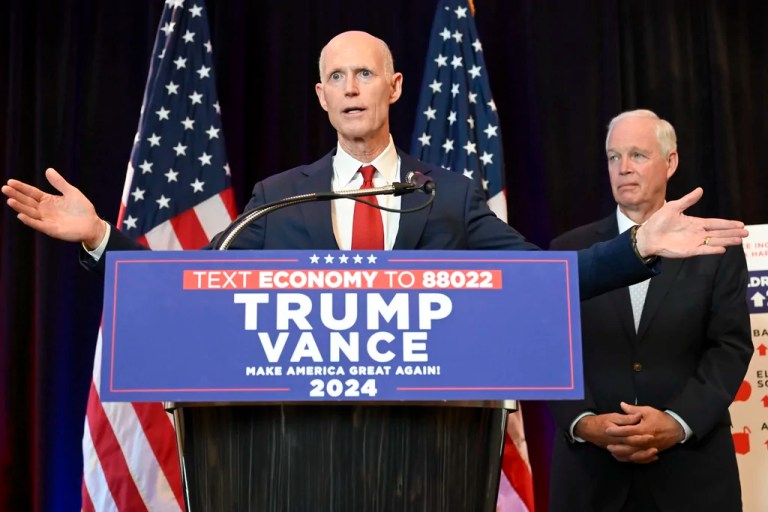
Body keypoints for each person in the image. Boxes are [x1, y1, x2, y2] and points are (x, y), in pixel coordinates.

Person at [1, 32, 747, 300]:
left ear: (393, 88)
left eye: (366, 74)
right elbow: (191, 284)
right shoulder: (277, 198)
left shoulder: (447, 196)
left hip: (425, 445)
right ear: (322, 97)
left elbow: (539, 279)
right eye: (337, 77)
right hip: (299, 446)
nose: (352, 88)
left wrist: (636, 246)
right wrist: (100, 236)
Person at [547, 109, 753, 511]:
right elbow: (548, 350)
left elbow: (730, 347)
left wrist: (677, 422)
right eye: (614, 157)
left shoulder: (714, 247)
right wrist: (585, 423)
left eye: (638, 155)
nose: (623, 168)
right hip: (591, 478)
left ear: (670, 162)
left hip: (692, 476)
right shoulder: (569, 251)